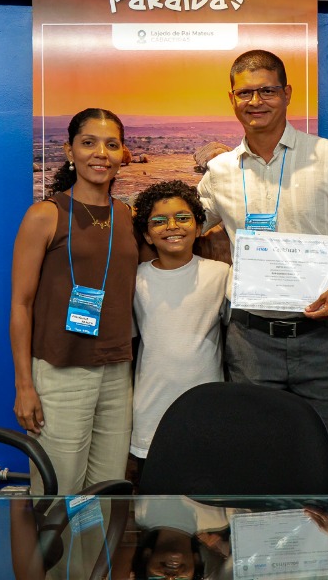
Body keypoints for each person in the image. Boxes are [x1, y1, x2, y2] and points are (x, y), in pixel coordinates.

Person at [197, 49, 328, 493]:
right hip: (250, 342)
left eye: (267, 90)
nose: (256, 101)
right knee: (257, 465)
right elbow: (179, 225)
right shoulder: (219, 171)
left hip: (322, 338)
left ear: (287, 94)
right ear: (232, 99)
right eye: (245, 93)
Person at [9, 107, 139, 497]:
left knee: (105, 493)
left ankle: (93, 545)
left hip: (116, 371)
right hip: (60, 371)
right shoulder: (44, 215)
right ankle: (55, 545)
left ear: (122, 154)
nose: (100, 153)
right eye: (88, 143)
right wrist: (24, 385)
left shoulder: (127, 215)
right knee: (59, 496)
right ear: (69, 151)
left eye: (111, 145)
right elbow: (20, 305)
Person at [129, 180, 231, 484]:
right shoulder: (135, 280)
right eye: (159, 221)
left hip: (208, 410)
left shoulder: (220, 274)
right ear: (147, 234)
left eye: (183, 218)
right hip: (151, 410)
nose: (172, 226)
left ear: (199, 227)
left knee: (208, 502)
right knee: (154, 501)